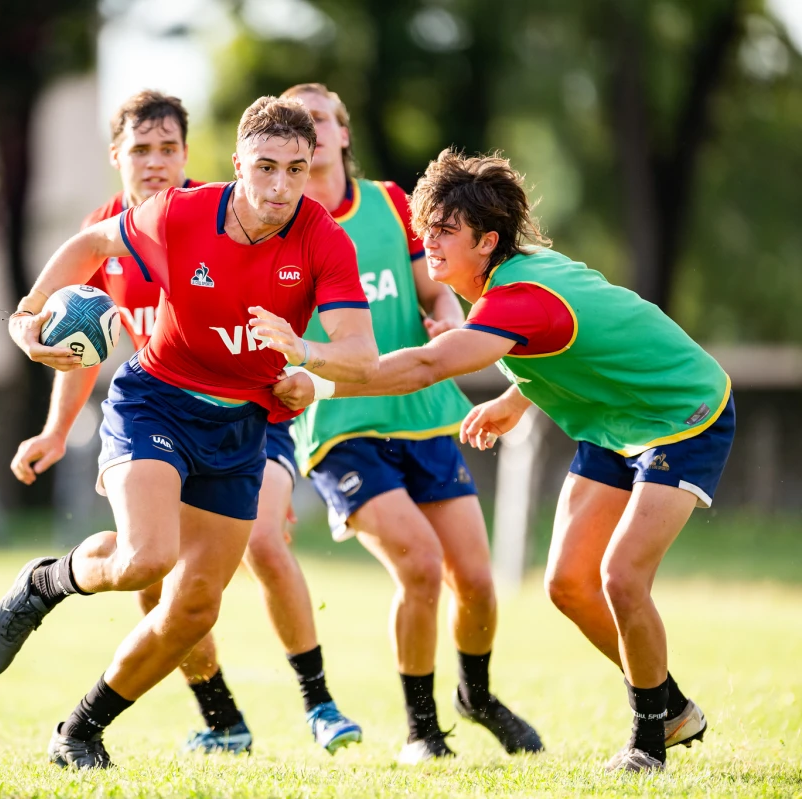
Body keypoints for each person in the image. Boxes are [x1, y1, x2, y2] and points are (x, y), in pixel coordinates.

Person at [274, 147, 730, 773]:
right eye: (425, 225)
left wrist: (316, 369)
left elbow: (427, 366)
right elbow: (586, 338)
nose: (428, 241)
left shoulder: (514, 298)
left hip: (684, 415)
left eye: (445, 231)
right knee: (569, 584)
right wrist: (520, 396)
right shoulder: (509, 279)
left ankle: (649, 742)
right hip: (615, 424)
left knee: (621, 577)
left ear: (487, 241)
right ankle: (672, 706)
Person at [0, 95, 377, 769]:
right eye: (265, 167)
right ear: (236, 165)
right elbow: (92, 243)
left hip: (242, 425)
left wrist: (304, 352)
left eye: (296, 169)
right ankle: (47, 582)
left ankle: (80, 729)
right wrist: (27, 316)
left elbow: (361, 353)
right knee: (147, 559)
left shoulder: (322, 237)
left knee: (195, 608)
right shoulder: (182, 214)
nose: (281, 186)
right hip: (156, 404)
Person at [278, 84, 542, 764]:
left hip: (425, 413)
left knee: (477, 582)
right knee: (421, 567)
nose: (309, 132)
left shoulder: (391, 205)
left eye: (320, 119)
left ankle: (476, 697)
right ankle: (423, 731)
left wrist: (449, 321)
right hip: (340, 423)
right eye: (295, 124)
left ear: (341, 134)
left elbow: (436, 289)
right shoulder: (279, 225)